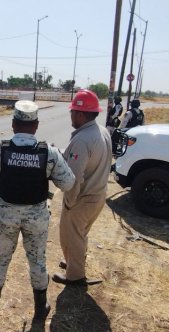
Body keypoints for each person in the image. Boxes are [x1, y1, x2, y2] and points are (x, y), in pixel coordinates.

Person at [0, 100, 75, 320]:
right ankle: (41, 308)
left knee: (0, 260)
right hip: (37, 218)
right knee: (38, 261)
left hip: (7, 216)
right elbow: (68, 183)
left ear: (13, 124)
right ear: (36, 126)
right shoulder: (49, 153)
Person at [52, 89, 113, 286]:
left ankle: (75, 276)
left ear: (79, 113)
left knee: (71, 235)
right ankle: (73, 262)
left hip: (83, 198)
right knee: (80, 234)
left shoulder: (82, 139)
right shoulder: (100, 131)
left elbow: (73, 177)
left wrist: (69, 202)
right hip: (98, 194)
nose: (70, 115)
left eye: (71, 112)